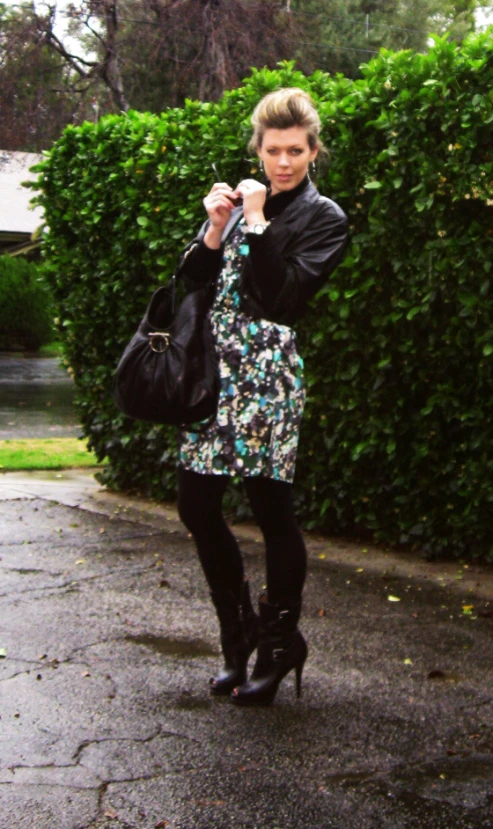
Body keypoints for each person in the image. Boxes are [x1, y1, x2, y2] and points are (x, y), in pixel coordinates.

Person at [177, 87, 348, 706]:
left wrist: (255, 224)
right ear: (259, 148)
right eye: (273, 150)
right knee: (196, 505)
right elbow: (191, 282)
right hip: (213, 376)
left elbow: (282, 299)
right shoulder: (235, 203)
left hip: (269, 378)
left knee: (271, 510)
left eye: (295, 151)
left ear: (312, 151)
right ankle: (237, 636)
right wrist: (217, 229)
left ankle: (278, 646)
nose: (283, 162)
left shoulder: (324, 218)